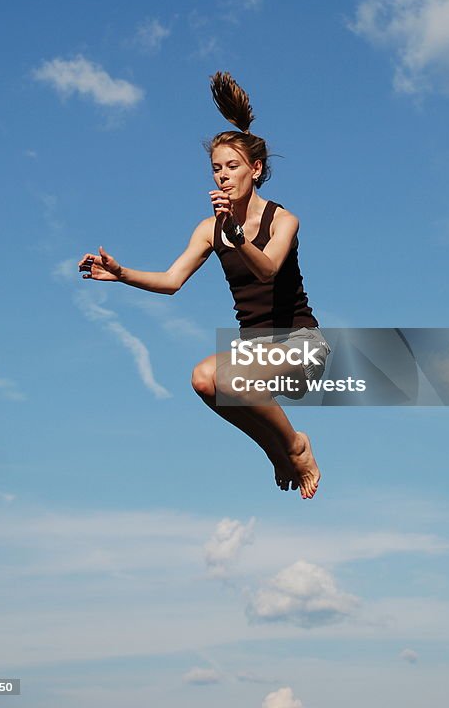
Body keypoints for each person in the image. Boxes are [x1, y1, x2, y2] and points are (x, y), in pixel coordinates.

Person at [78, 72, 330, 499]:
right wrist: (121, 274)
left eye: (232, 167)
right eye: (216, 169)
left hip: (301, 345)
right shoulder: (210, 229)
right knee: (202, 379)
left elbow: (267, 269)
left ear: (256, 169)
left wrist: (236, 235)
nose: (223, 177)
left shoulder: (283, 220)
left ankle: (296, 446)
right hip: (255, 354)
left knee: (229, 377)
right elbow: (172, 281)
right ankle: (277, 452)